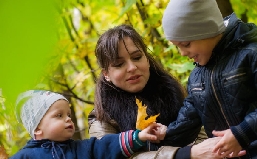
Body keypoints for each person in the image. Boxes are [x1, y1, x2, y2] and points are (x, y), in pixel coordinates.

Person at [88, 24, 223, 159]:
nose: (132, 67)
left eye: (137, 57)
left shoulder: (174, 92)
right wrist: (187, 154)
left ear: (146, 58)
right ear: (106, 74)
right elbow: (109, 155)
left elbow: (203, 133)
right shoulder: (102, 117)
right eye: (119, 64)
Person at [162, 0, 257, 158]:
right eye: (177, 46)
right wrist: (166, 133)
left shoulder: (250, 54)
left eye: (185, 44)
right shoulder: (196, 77)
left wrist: (241, 134)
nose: (182, 53)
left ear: (206, 30)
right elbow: (188, 119)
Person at [10, 90, 165, 159]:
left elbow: (106, 146)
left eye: (68, 115)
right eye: (59, 116)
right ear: (37, 129)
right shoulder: (26, 156)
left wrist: (139, 136)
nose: (68, 119)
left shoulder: (80, 149)